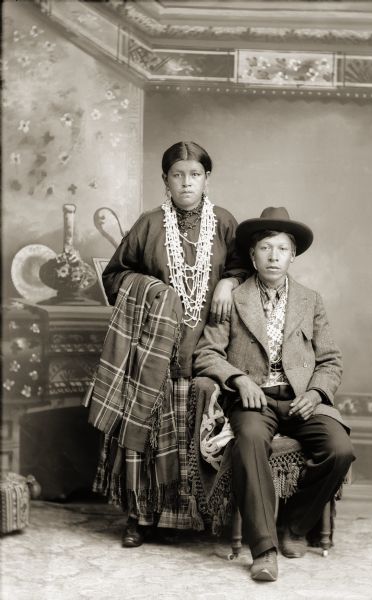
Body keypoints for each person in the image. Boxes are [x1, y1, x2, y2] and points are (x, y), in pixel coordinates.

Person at [84, 141, 246, 547]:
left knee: (196, 433)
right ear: (165, 180)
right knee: (147, 436)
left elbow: (246, 266)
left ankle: (195, 519)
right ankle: (139, 518)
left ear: (207, 178)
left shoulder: (224, 223)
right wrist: (152, 288)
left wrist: (229, 279)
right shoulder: (150, 224)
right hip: (153, 352)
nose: (186, 182)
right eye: (178, 174)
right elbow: (114, 276)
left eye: (195, 174)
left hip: (206, 351)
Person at [193, 206, 355, 582]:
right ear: (252, 255)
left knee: (339, 450)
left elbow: (331, 360)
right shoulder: (234, 297)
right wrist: (238, 380)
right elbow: (206, 354)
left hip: (301, 400)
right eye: (265, 248)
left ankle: (295, 526)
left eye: (281, 249)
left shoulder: (310, 300)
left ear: (292, 254)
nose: (272, 256)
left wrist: (316, 393)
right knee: (249, 440)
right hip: (253, 401)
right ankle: (264, 549)